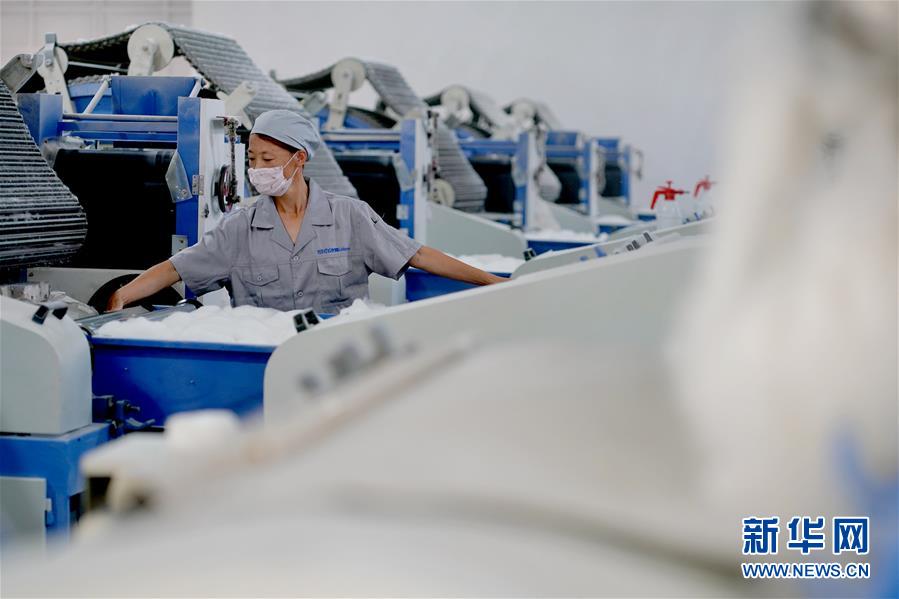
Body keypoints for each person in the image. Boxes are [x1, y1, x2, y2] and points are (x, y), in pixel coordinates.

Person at [107, 110, 506, 314]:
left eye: (268, 159)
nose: (257, 169)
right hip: (270, 368)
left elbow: (417, 255)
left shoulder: (349, 216)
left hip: (337, 364)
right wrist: (122, 295)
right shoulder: (239, 228)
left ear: (298, 159)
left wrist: (492, 282)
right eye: (252, 159)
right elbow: (176, 268)